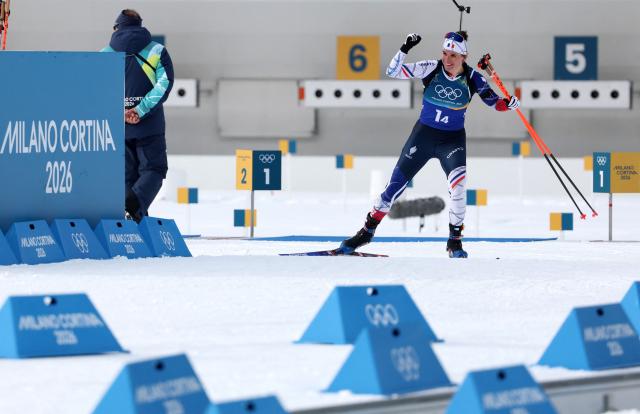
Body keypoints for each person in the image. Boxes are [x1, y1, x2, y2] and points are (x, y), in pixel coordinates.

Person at [340, 31, 520, 258]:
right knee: (394, 187)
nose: (447, 59)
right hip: (423, 136)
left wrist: (509, 103)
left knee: (459, 189)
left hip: (452, 140)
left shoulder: (474, 78)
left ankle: (454, 241)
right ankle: (366, 232)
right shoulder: (431, 68)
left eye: (453, 55)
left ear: (463, 57)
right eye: (445, 53)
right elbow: (392, 71)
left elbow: (494, 103)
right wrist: (405, 48)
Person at [101, 9, 174, 222]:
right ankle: (134, 210)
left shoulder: (104, 55)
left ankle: (132, 212)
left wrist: (119, 112)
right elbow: (164, 83)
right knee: (154, 168)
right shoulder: (157, 51)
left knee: (126, 175)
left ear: (117, 27)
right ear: (140, 25)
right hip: (149, 125)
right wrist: (140, 109)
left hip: (118, 127)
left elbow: (97, 90)